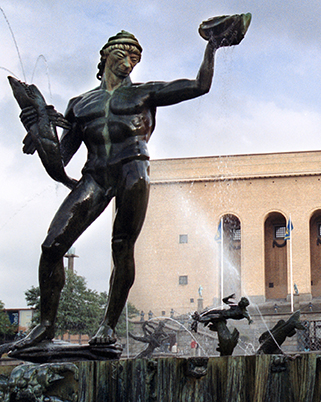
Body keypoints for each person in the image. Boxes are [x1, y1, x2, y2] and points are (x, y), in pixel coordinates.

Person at [10, 30, 226, 350]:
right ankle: (44, 326)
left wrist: (213, 45)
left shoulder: (144, 94)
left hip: (132, 171)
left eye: (135, 57)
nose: (128, 62)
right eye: (122, 55)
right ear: (106, 56)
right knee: (52, 245)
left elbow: (199, 86)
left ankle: (108, 326)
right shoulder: (80, 105)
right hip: (95, 176)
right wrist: (39, 128)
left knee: (122, 246)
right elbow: (62, 157)